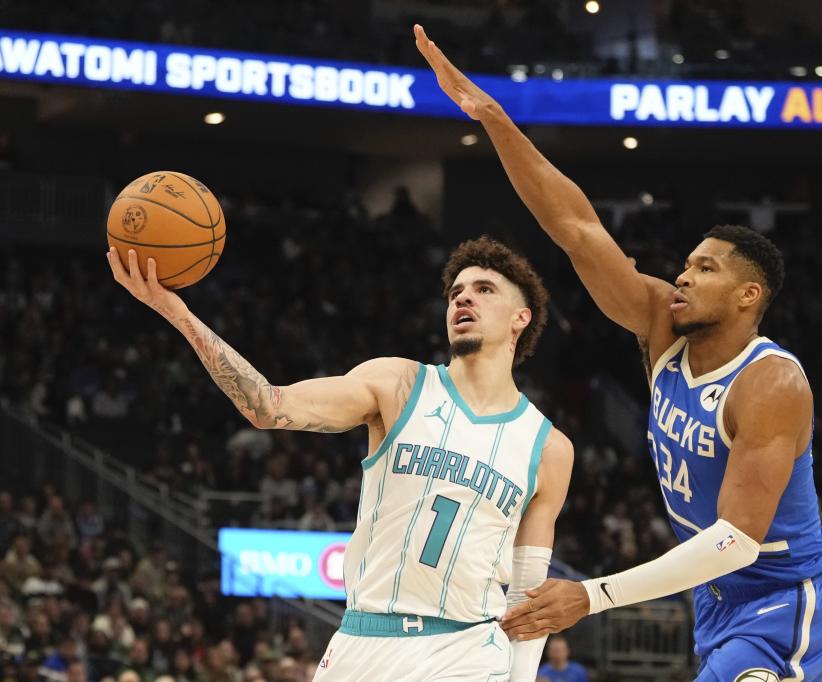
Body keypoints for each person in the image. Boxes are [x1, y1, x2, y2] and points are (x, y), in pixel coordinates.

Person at [414, 24, 822, 681]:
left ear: (747, 296)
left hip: (787, 603)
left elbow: (735, 541)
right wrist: (494, 118)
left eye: (705, 269)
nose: (682, 276)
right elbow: (576, 227)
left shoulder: (771, 384)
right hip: (716, 599)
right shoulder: (661, 326)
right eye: (685, 264)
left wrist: (589, 596)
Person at [106, 235, 573, 682]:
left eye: (484, 290)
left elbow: (530, 600)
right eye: (455, 292)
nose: (462, 299)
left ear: (520, 318)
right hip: (362, 640)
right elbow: (268, 406)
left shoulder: (548, 448)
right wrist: (176, 311)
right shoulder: (398, 385)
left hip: (466, 650)